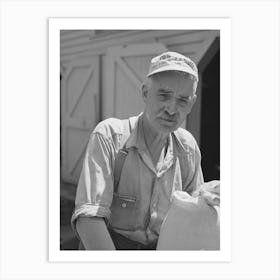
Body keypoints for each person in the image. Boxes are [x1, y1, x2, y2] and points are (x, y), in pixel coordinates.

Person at [71, 51, 220, 250]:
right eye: (164, 95)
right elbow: (89, 220)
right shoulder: (110, 136)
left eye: (182, 100)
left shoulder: (188, 148)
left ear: (192, 103)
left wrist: (209, 201)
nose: (171, 109)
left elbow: (192, 218)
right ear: (145, 92)